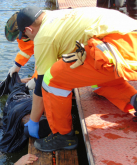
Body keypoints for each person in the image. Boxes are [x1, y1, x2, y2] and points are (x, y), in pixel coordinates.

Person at [16, 6, 137, 152]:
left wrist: (34, 121)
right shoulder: (57, 16)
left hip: (113, 50)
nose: (27, 39)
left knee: (52, 80)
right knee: (97, 78)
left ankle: (63, 136)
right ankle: (133, 100)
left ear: (29, 30)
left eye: (25, 36)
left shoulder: (43, 36)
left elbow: (42, 81)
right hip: (129, 42)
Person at [5, 12, 37, 90]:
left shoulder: (45, 37)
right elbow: (26, 49)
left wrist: (37, 79)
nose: (19, 39)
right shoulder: (25, 35)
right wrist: (17, 65)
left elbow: (48, 62)